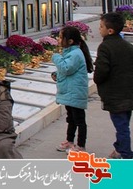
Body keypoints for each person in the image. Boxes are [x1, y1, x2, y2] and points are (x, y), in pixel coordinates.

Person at [93, 12, 133, 159]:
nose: (99, 29)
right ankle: (119, 149)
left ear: (110, 31)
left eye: (101, 26)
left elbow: (102, 71)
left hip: (115, 96)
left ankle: (126, 156)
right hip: (129, 93)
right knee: (123, 124)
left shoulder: (105, 47)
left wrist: (97, 79)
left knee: (122, 127)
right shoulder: (128, 46)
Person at [52, 25, 93, 152]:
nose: (58, 40)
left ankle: (81, 146)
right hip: (70, 92)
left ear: (70, 41)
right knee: (71, 119)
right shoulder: (70, 53)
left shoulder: (75, 54)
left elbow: (66, 68)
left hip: (75, 93)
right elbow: (68, 70)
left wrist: (56, 57)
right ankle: (69, 141)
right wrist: (56, 74)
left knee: (79, 120)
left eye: (61, 37)